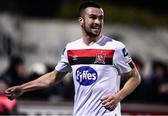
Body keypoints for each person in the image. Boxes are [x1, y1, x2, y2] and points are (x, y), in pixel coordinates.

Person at [3, 1, 141, 116]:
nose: (98, 22)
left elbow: (135, 77)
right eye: (93, 17)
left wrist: (118, 97)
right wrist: (23, 88)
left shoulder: (115, 47)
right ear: (81, 21)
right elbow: (53, 77)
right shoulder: (71, 49)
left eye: (101, 18)